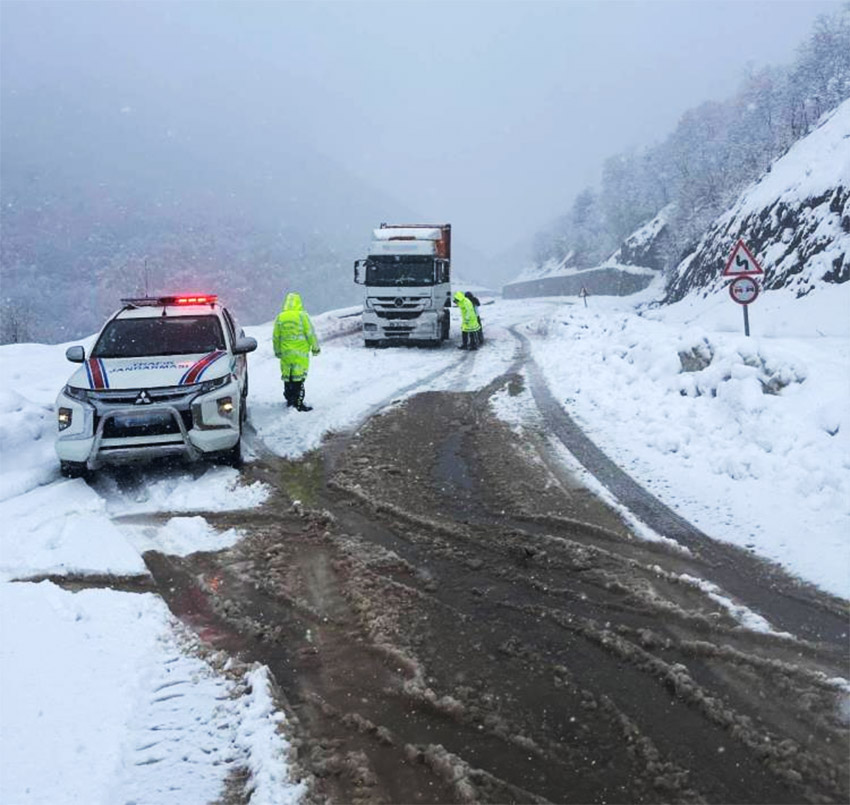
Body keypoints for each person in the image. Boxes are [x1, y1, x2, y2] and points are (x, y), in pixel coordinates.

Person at [273, 292, 320, 411]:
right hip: (300, 354)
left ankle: (289, 399)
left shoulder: (281, 317)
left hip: (286, 354)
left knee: (288, 377)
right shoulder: (302, 316)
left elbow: (276, 337)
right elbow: (310, 333)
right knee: (298, 378)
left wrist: (277, 351)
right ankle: (298, 403)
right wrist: (315, 348)